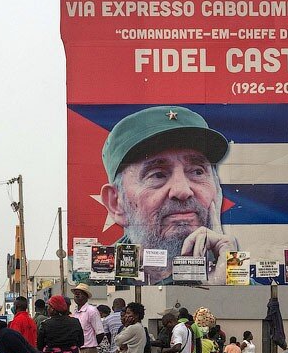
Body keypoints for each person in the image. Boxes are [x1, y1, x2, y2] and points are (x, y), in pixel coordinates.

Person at [96, 105, 238, 284]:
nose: (183, 190)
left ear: (217, 190)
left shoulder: (255, 292)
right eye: (158, 174)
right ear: (116, 203)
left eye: (197, 172)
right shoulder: (87, 284)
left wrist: (231, 280)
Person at [71, 283, 104, 353]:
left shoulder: (92, 311)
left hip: (88, 350)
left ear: (85, 296)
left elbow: (100, 333)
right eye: (75, 294)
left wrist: (91, 346)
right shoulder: (75, 312)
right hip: (77, 350)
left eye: (79, 294)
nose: (76, 296)